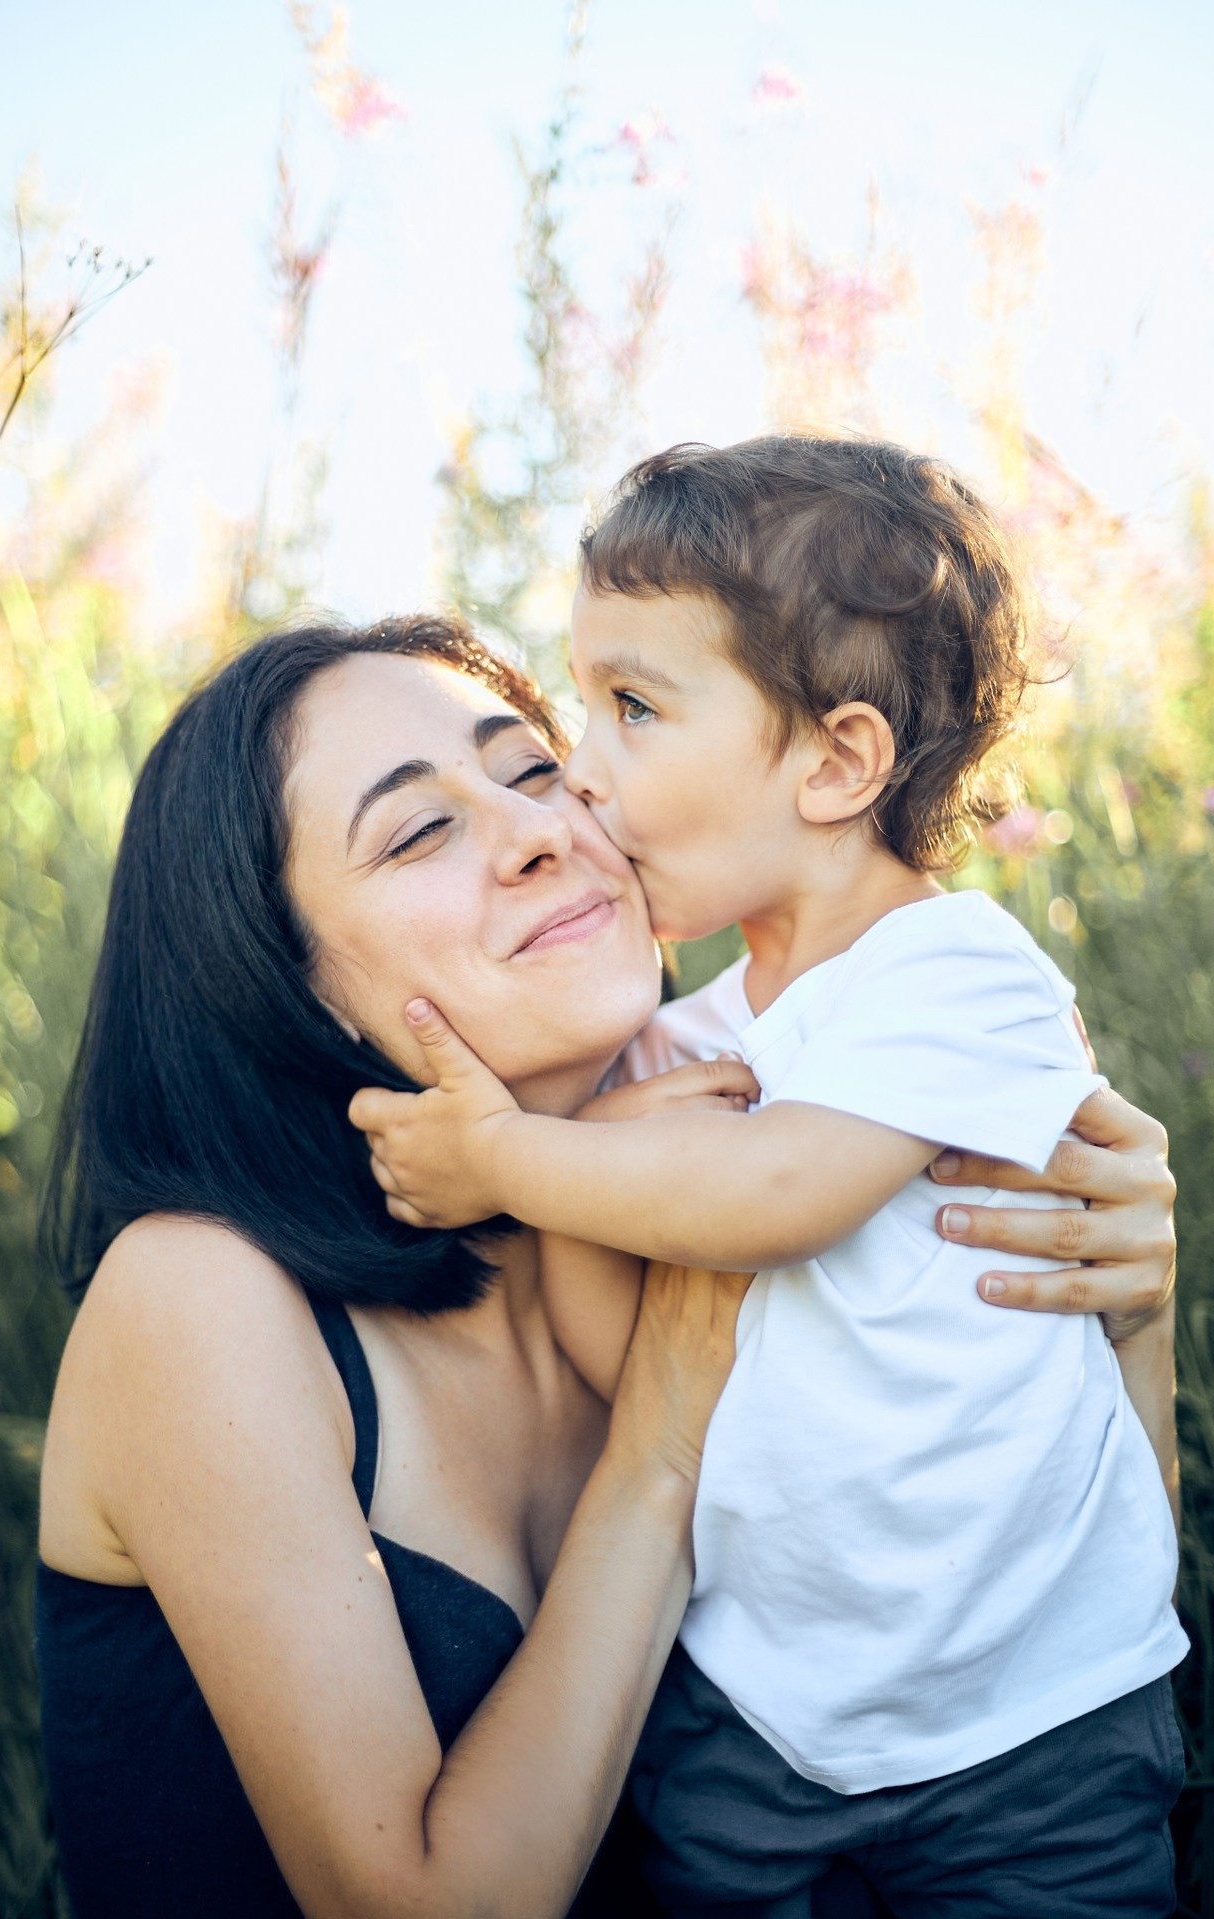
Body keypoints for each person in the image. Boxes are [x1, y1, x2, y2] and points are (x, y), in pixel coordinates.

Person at [35, 613, 1179, 1919]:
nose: (542, 831)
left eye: (533, 772)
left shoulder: (747, 1193)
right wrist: (659, 1452)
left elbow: (1058, 1646)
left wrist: (1122, 1322)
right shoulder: (200, 1297)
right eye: (418, 830)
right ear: (286, 991)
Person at [352, 440, 1187, 1917]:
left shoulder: (954, 971)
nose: (584, 776)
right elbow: (644, 1364)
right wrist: (589, 1170)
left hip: (1032, 1717)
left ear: (835, 762)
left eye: (634, 709)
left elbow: (789, 1192)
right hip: (763, 1707)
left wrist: (508, 1160)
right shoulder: (677, 1045)